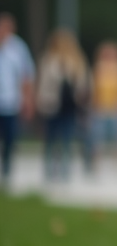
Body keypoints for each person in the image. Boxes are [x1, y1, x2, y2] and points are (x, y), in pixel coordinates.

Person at [35, 28, 90, 181]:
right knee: (50, 137)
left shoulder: (77, 60)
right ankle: (49, 170)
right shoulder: (48, 59)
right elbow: (44, 82)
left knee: (67, 137)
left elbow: (83, 83)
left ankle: (65, 170)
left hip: (70, 105)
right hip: (51, 103)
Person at [0, 12, 36, 186]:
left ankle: (6, 169)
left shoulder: (18, 48)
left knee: (10, 138)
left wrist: (28, 100)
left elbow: (26, 76)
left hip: (10, 101)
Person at [88, 41, 117, 165]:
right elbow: (94, 90)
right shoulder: (98, 69)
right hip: (101, 107)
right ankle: (96, 159)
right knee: (97, 135)